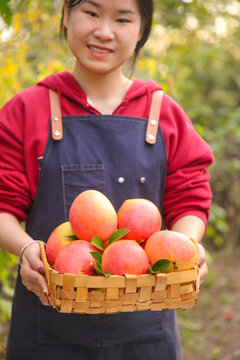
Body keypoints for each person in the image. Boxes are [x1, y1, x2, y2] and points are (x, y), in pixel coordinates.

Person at [0, 0, 214, 359]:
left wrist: (186, 247)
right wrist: (25, 249)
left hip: (146, 330)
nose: (104, 31)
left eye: (123, 18)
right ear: (66, 15)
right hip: (47, 322)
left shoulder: (165, 114)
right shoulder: (26, 110)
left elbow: (190, 198)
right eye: (92, 12)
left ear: (142, 29)